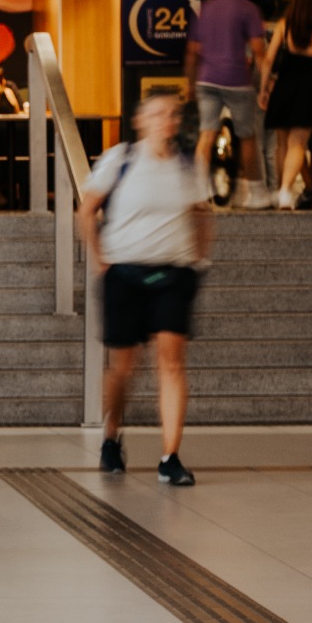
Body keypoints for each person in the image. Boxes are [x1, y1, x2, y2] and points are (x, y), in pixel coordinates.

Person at [81, 89, 212, 487]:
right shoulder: (119, 160)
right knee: (123, 367)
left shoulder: (188, 165)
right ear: (140, 121)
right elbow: (86, 209)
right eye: (157, 114)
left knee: (171, 362)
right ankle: (110, 436)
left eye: (172, 114)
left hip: (173, 276)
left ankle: (170, 457)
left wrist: (198, 259)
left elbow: (203, 212)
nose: (165, 121)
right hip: (125, 275)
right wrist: (100, 259)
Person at [186, 0, 270, 207]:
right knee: (247, 137)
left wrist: (190, 83)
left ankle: (200, 193)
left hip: (206, 80)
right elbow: (259, 52)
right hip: (236, 81)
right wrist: (265, 85)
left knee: (206, 135)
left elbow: (192, 51)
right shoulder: (248, 9)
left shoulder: (205, 9)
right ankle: (257, 194)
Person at [259, 0, 312, 209]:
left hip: (285, 88)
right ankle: (286, 190)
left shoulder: (285, 25)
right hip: (309, 91)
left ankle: (281, 191)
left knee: (281, 144)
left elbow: (268, 60)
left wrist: (264, 89)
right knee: (298, 145)